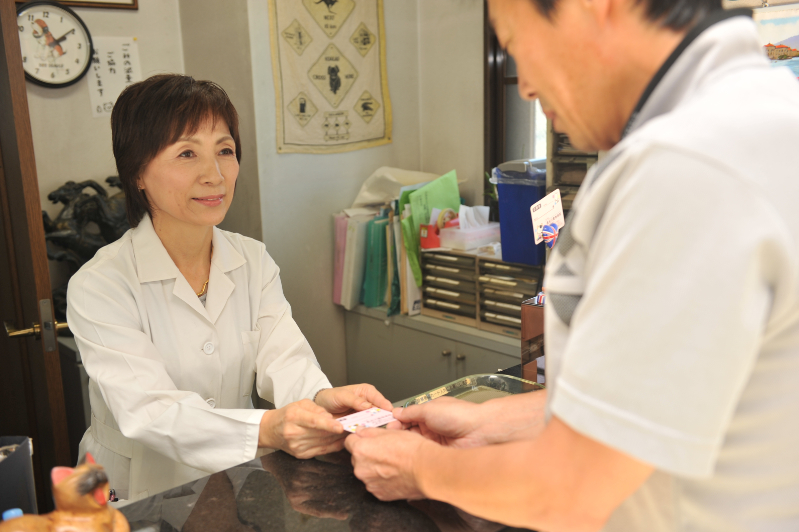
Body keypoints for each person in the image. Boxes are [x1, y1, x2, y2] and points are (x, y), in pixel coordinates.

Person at [345, 0, 799, 530]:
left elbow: (571, 487)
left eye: (517, 43)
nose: (526, 87)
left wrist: (421, 468)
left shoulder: (685, 165)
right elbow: (647, 399)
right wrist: (490, 423)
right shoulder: (763, 116)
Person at [67, 74, 392, 502]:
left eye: (225, 150)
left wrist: (321, 398)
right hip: (133, 491)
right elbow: (151, 412)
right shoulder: (100, 285)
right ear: (137, 174)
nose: (215, 174)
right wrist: (268, 428)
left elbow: (285, 356)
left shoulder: (252, 260)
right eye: (187, 153)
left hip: (230, 482)